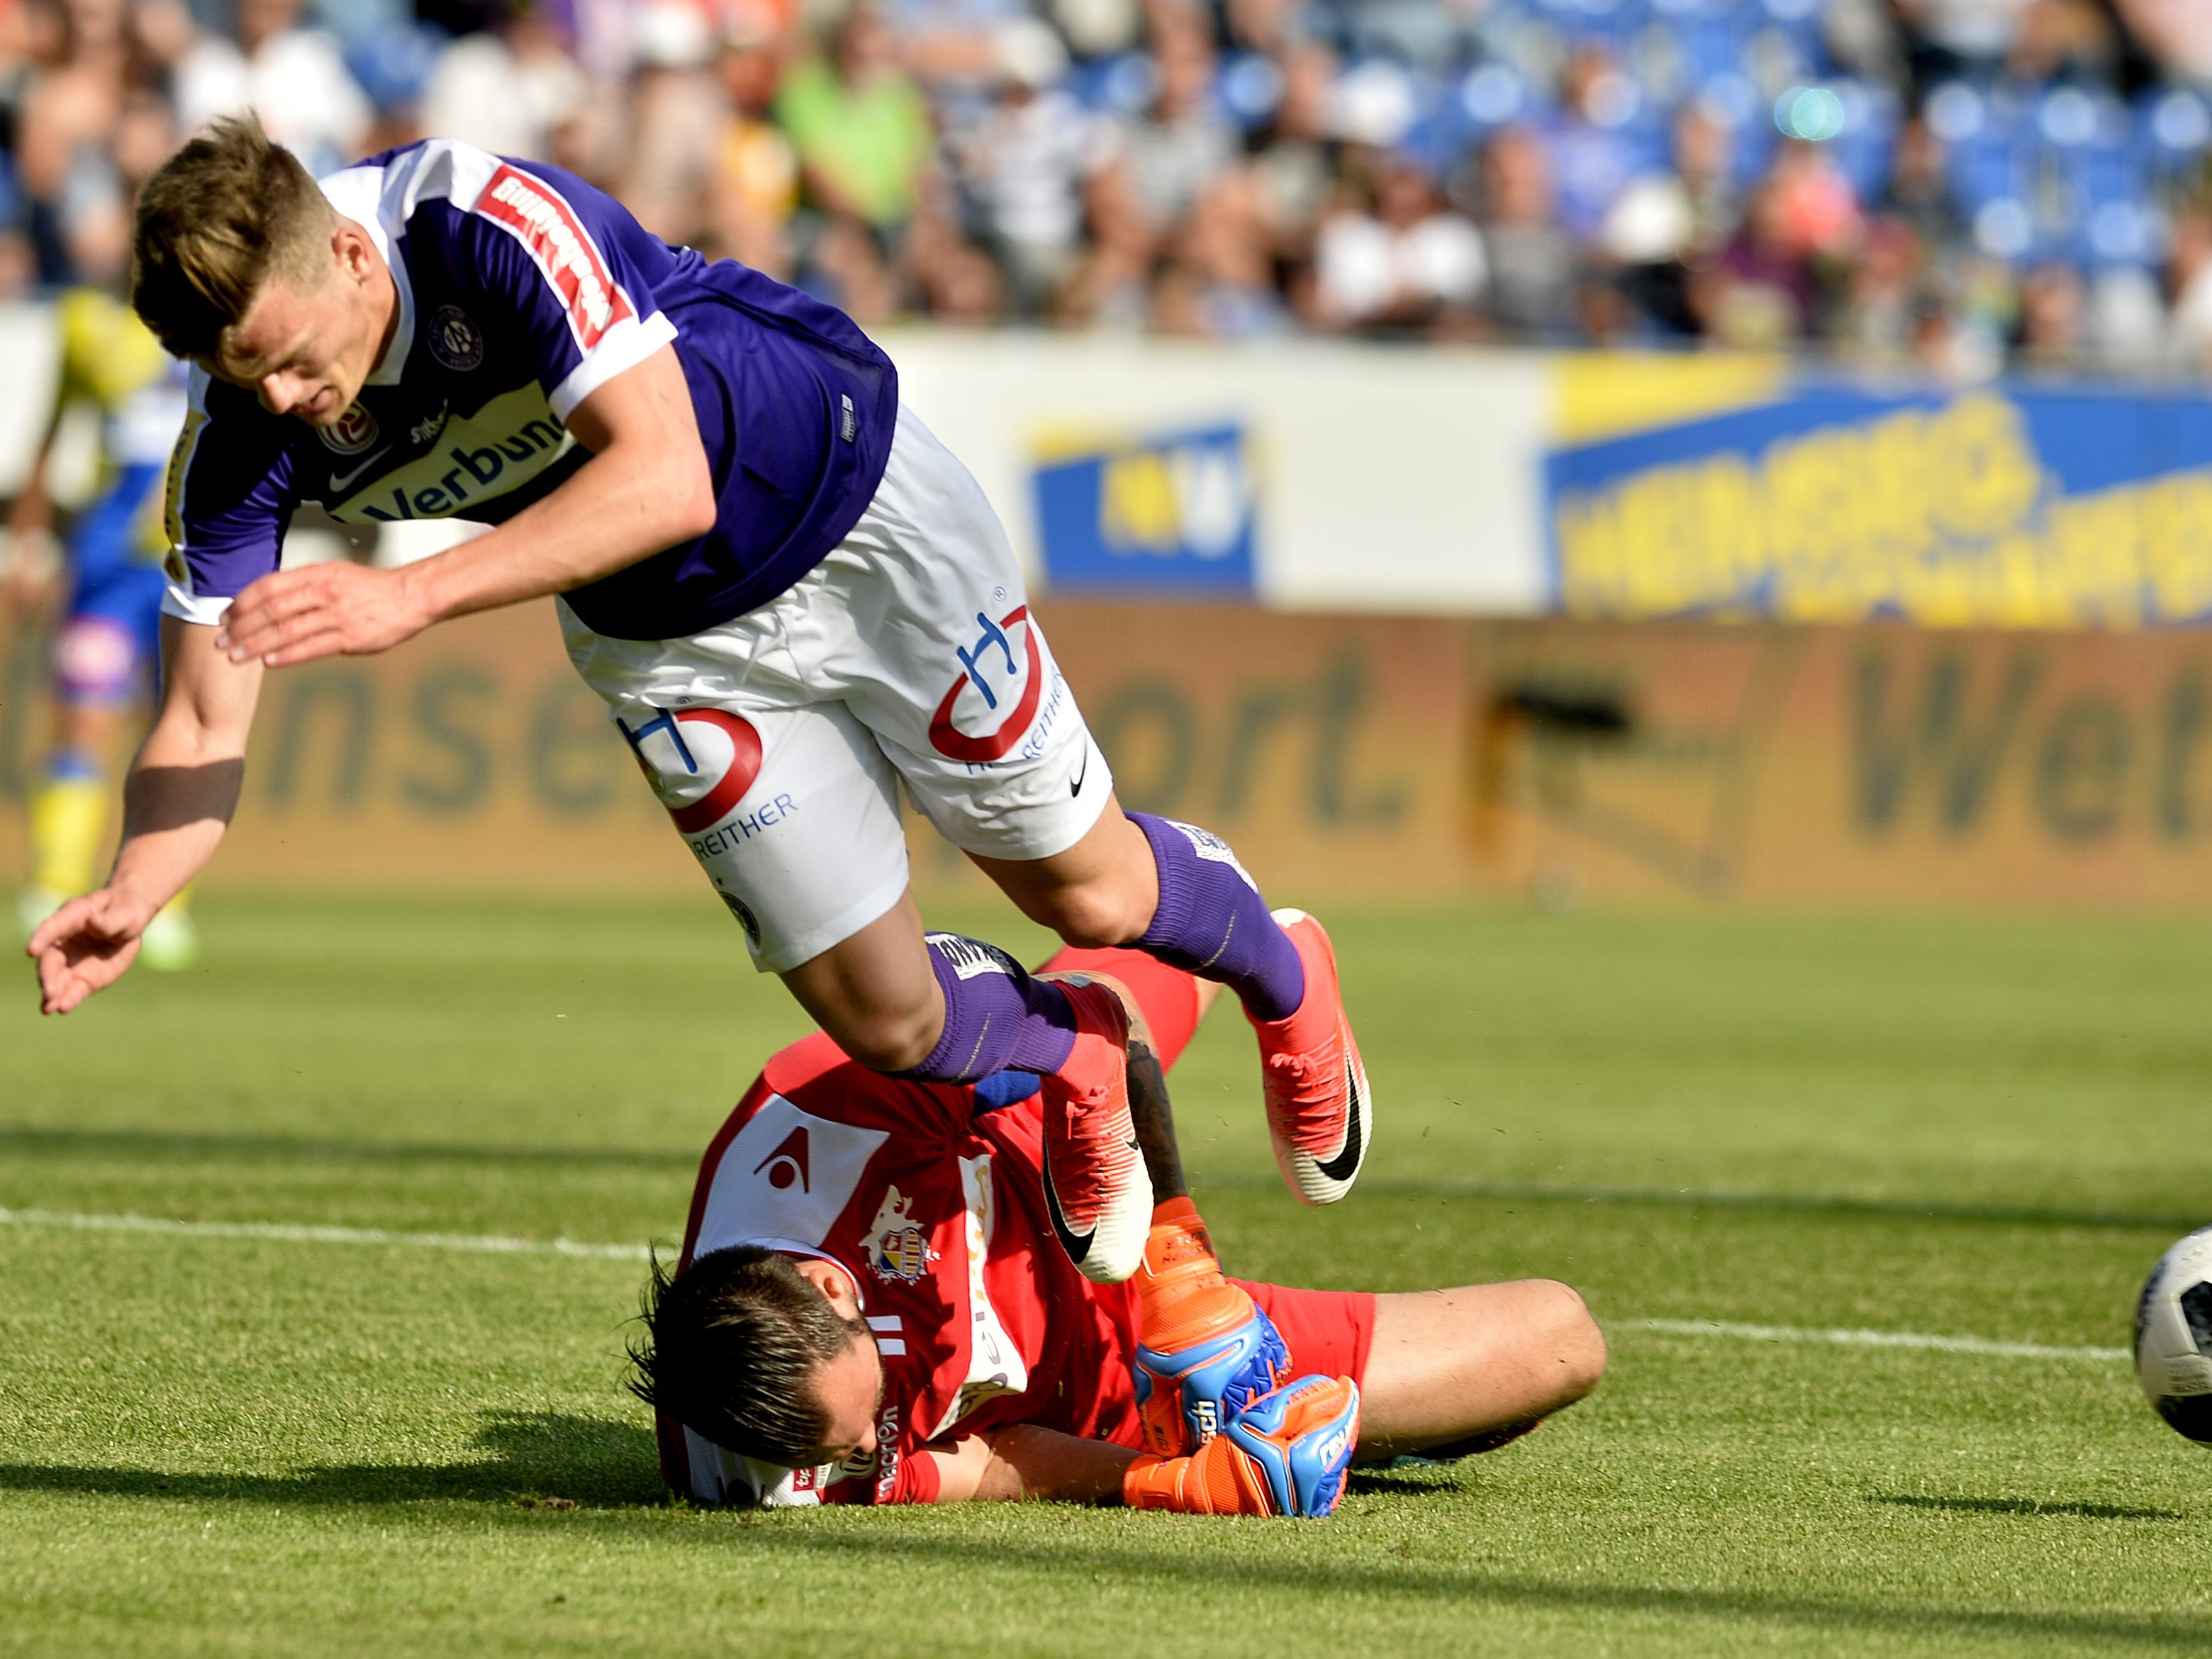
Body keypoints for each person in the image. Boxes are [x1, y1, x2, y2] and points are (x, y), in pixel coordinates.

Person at [28, 117, 1370, 1293]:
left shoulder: (483, 225)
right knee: (892, 1022)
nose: (277, 403)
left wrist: (412, 597)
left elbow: (668, 479)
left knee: (1090, 899)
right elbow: (202, 718)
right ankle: (1080, 1051)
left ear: (354, 263)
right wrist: (140, 886)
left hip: (850, 513)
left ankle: (1280, 967)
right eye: (237, 376)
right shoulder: (240, 440)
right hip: (668, 646)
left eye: (285, 358)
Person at [630, 945, 1607, 1511]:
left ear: (834, 1284)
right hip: (1099, 1388)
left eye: (866, 1425)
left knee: (1161, 931)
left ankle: (1291, 982)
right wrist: (1176, 1479)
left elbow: (1099, 1029)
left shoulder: (821, 1117)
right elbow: (993, 1463)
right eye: (854, 1453)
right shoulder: (764, 1465)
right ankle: (1349, 1427)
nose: (868, 1451)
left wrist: (1177, 1263)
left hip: (1042, 1153)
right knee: (1559, 1342)